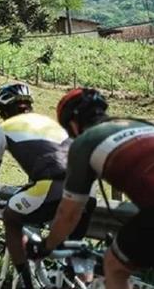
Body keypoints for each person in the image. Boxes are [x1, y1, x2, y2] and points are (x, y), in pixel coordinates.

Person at [0, 84, 95, 289]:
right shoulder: (50, 124)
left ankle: (28, 283)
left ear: (4, 111)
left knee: (11, 217)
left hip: (51, 187)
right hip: (86, 190)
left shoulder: (2, 130)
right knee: (70, 253)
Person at [27, 88, 154, 289]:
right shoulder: (141, 124)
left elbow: (69, 213)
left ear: (73, 124)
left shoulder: (85, 142)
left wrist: (46, 246)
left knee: (114, 266)